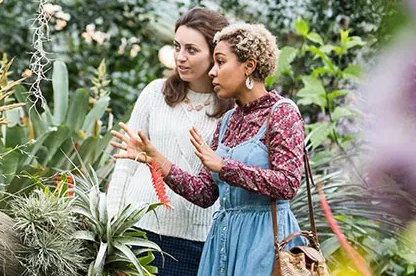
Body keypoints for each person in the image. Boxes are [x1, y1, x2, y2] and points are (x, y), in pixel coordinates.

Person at [111, 23, 307, 276]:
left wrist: (225, 167)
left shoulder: (282, 113)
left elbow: (288, 183)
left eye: (221, 62)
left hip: (264, 241)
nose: (212, 72)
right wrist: (156, 159)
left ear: (249, 66)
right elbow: (203, 194)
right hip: (223, 241)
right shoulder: (228, 120)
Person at [105, 8, 234, 276]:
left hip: (194, 243)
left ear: (215, 55)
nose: (180, 57)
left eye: (191, 50)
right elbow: (125, 165)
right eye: (177, 47)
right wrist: (112, 223)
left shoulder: (231, 111)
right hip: (136, 231)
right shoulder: (155, 93)